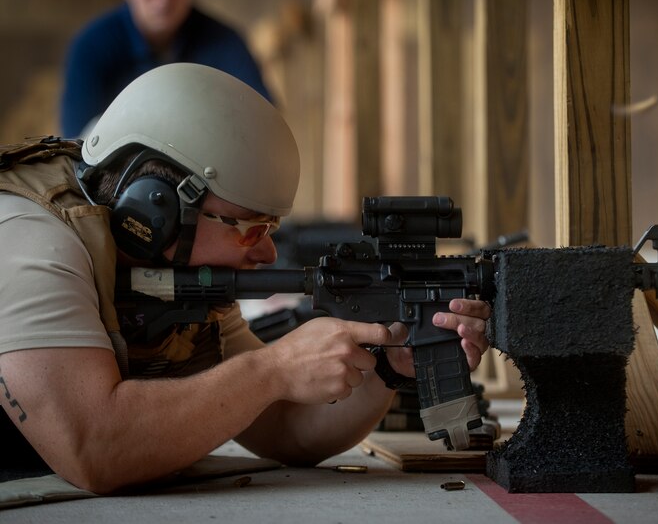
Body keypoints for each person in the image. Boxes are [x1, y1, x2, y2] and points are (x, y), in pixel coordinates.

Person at [0, 63, 491, 493]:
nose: (268, 250)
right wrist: (271, 370)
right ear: (159, 208)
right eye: (252, 228)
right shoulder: (29, 239)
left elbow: (285, 430)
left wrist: (387, 367)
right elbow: (95, 450)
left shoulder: (181, 271)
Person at [59, 0, 272, 138]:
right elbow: (77, 139)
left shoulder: (226, 42)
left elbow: (263, 122)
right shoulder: (91, 46)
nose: (163, 0)